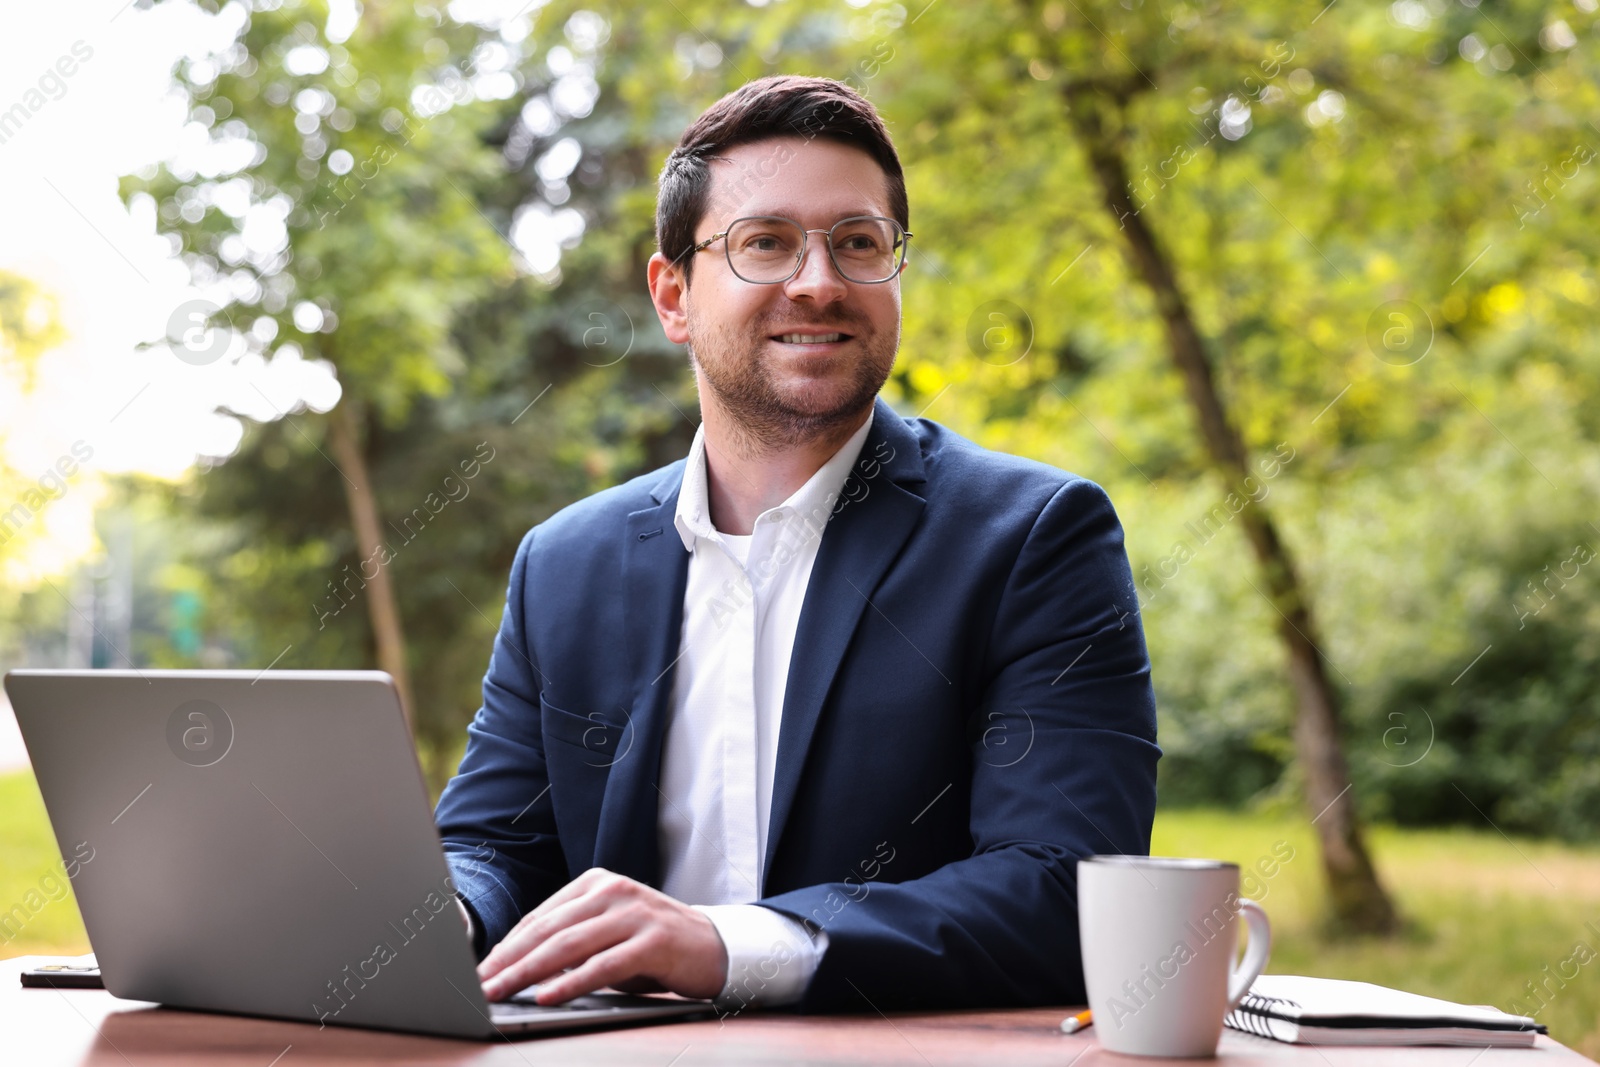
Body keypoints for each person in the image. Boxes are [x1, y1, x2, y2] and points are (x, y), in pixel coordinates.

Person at [434, 74, 1159, 1015]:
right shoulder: (563, 563)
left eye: (858, 244)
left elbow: (1068, 886)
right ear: (673, 296)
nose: (818, 283)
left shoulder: (1035, 537)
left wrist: (728, 944)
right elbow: (496, 845)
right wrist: (446, 916)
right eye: (764, 242)